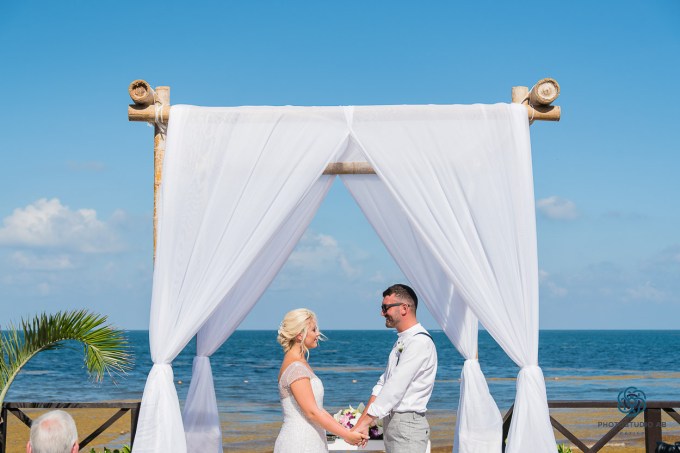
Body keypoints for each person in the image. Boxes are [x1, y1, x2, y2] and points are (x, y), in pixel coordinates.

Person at [353, 284, 437, 453]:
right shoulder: (404, 340)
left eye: (386, 308)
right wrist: (362, 423)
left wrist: (366, 421)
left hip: (407, 425)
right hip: (395, 424)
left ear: (404, 308)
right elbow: (383, 384)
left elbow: (395, 388)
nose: (382, 313)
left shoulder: (419, 342)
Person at [274, 308, 367, 452]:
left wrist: (345, 431)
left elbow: (318, 409)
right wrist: (347, 436)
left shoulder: (299, 363)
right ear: (300, 335)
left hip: (310, 438)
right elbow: (312, 412)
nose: (318, 333)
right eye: (313, 330)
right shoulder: (296, 368)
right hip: (300, 442)